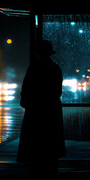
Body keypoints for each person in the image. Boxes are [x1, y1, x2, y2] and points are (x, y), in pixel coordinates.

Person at [17, 40, 65, 172]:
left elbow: (26, 87)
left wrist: (26, 100)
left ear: (38, 53)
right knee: (50, 137)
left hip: (36, 108)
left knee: (35, 137)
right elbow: (58, 91)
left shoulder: (34, 68)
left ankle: (35, 162)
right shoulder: (55, 68)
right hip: (51, 108)